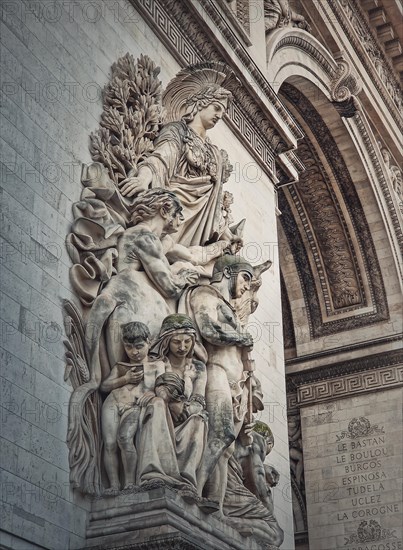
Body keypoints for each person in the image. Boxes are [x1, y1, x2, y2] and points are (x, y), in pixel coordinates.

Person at [118, 62, 239, 248]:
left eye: (223, 112)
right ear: (200, 103)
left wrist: (227, 234)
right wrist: (143, 178)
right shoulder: (177, 131)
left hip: (200, 221)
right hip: (171, 208)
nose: (220, 115)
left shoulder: (215, 153)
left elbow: (214, 202)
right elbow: (161, 159)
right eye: (216, 107)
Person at [179, 255, 264, 510]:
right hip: (215, 371)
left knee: (226, 450)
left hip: (237, 382)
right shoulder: (206, 294)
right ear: (227, 272)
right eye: (245, 277)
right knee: (222, 432)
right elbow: (208, 330)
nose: (248, 285)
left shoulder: (230, 307)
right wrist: (239, 337)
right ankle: (192, 485)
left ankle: (215, 504)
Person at [135, 314, 208, 491]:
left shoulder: (199, 368)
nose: (182, 347)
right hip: (159, 416)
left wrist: (186, 408)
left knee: (199, 420)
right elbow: (143, 392)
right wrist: (168, 402)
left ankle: (186, 479)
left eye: (187, 342)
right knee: (157, 404)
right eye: (176, 342)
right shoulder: (156, 364)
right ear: (167, 341)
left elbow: (199, 399)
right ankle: (151, 472)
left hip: (185, 417)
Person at [100, 322, 165, 493]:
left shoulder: (157, 365)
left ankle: (129, 483)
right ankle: (114, 485)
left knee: (124, 438)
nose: (134, 352)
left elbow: (163, 388)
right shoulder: (121, 366)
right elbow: (105, 386)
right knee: (109, 444)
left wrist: (152, 394)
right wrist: (125, 379)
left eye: (139, 346)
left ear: (148, 343)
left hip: (134, 406)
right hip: (113, 402)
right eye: (128, 347)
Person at [223, 421, 284, 546]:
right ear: (269, 443)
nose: (264, 457)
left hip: (222, 488)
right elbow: (258, 479)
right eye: (267, 452)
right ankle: (226, 521)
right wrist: (269, 515)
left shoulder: (237, 434)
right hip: (231, 493)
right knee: (277, 535)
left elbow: (243, 462)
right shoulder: (257, 440)